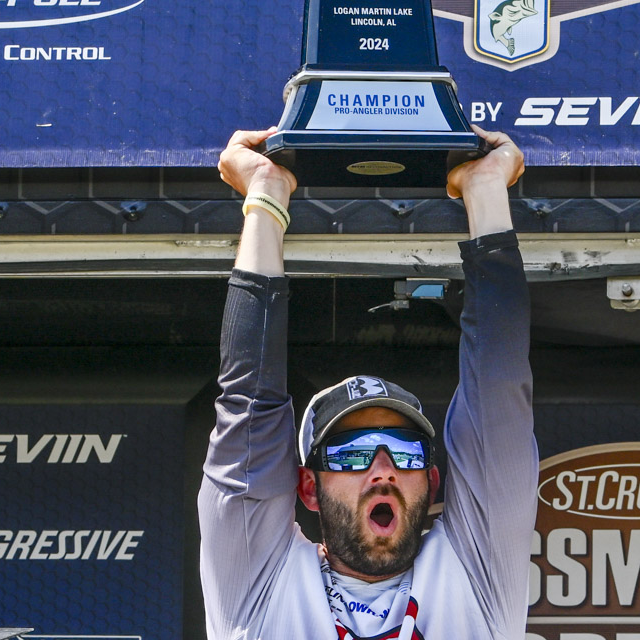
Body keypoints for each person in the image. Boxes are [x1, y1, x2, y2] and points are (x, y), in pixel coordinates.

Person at [200, 126, 537, 639]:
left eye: (404, 451)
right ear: (308, 488)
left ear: (432, 481)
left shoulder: (475, 573)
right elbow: (249, 405)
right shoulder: (260, 587)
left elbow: (498, 394)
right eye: (351, 454)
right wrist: (265, 193)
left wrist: (486, 186)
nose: (383, 471)